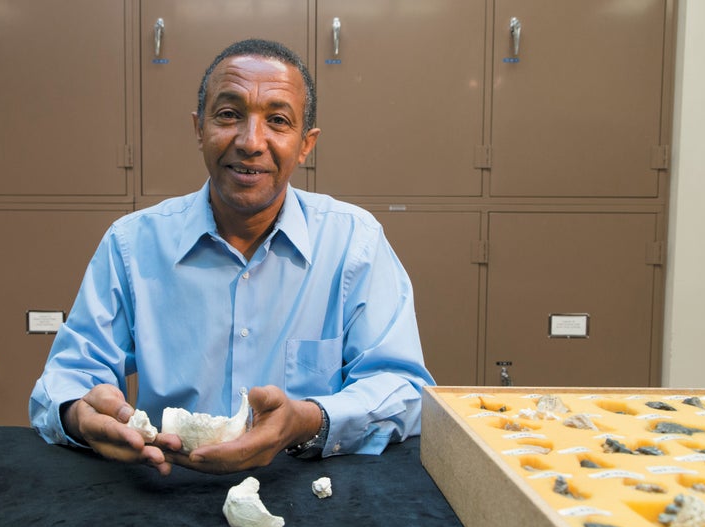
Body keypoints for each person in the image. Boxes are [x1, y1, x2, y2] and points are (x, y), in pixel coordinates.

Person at [29, 38, 434, 475]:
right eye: (228, 115)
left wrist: (308, 421)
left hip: (306, 500)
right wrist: (79, 414)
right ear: (198, 128)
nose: (250, 141)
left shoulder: (354, 244)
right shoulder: (133, 244)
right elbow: (68, 376)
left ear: (305, 144)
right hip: (164, 491)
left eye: (278, 120)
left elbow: (403, 389)